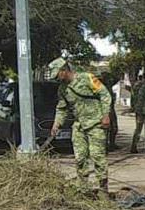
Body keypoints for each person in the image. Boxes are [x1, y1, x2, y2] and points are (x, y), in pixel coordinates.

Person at [48, 58, 112, 195]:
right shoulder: (62, 89)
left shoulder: (87, 78)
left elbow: (105, 94)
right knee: (80, 158)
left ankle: (103, 191)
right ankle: (83, 189)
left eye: (57, 74)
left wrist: (105, 115)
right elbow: (62, 108)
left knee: (98, 157)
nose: (57, 78)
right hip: (79, 126)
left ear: (64, 70)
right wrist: (56, 123)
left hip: (96, 124)